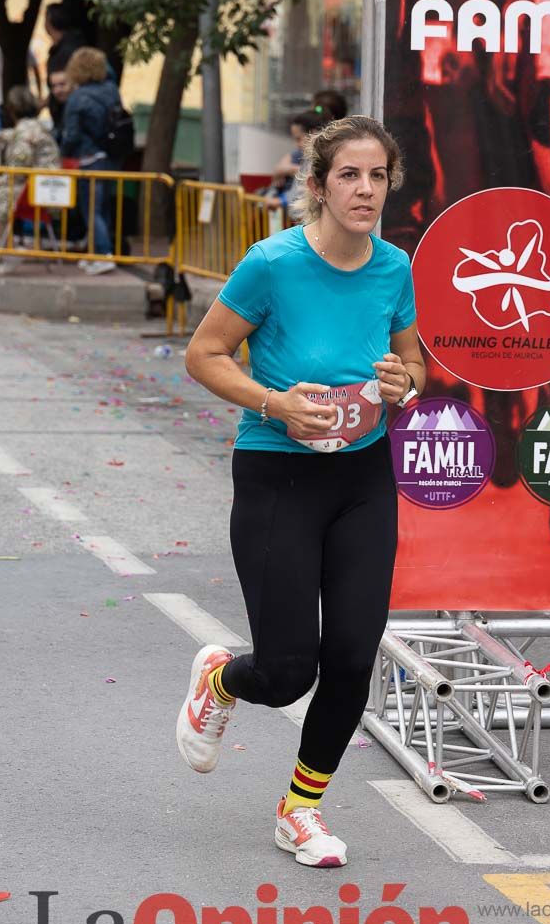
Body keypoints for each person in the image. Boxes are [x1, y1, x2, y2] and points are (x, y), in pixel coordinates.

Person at [178, 115, 425, 867]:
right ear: (318, 186)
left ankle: (300, 810)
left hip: (361, 477)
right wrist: (273, 401)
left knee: (352, 655)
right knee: (288, 671)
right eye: (349, 174)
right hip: (278, 472)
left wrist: (400, 384)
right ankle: (221, 678)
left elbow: (414, 369)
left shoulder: (394, 268)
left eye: (378, 175)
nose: (365, 189)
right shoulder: (271, 263)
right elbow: (204, 354)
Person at [0, 86, 60, 273]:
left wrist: (2, 179)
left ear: (12, 110)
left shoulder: (24, 133)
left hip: (38, 190)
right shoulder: (33, 127)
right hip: (46, 187)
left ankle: (9, 249)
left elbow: (19, 167)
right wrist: (3, 136)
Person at [60, 47, 122, 275]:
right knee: (103, 207)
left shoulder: (78, 97)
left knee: (91, 210)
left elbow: (72, 135)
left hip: (88, 159)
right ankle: (96, 254)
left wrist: (63, 151)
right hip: (110, 158)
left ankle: (103, 255)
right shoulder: (111, 90)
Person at [267, 108, 330, 212]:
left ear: (314, 134)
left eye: (298, 139)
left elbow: (300, 191)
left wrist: (281, 201)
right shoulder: (305, 156)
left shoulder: (321, 158)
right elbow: (280, 168)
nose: (297, 145)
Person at [0, 37, 42, 118]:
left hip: (22, 97)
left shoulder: (26, 50)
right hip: (4, 98)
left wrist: (39, 95)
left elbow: (36, 71)